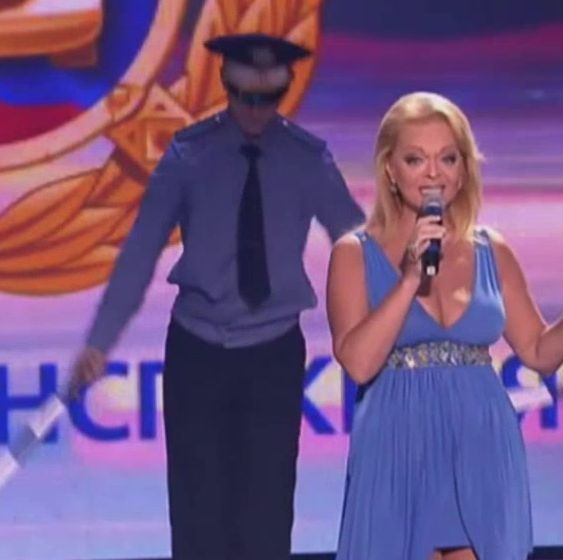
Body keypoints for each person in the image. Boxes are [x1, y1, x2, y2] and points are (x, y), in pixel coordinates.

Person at [69, 33, 365, 559]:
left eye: (267, 99)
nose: (255, 111)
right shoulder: (189, 156)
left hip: (273, 355)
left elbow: (359, 247)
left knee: (267, 512)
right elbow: (140, 252)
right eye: (245, 98)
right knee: (197, 512)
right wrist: (99, 341)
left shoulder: (307, 159)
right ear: (226, 87)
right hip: (197, 353)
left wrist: (396, 322)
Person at [327, 91, 563, 560]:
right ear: (390, 170)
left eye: (447, 158)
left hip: (481, 440)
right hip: (398, 442)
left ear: (463, 170)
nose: (434, 173)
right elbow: (359, 364)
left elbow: (539, 353)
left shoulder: (491, 249)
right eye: (415, 159)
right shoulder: (353, 254)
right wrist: (409, 279)